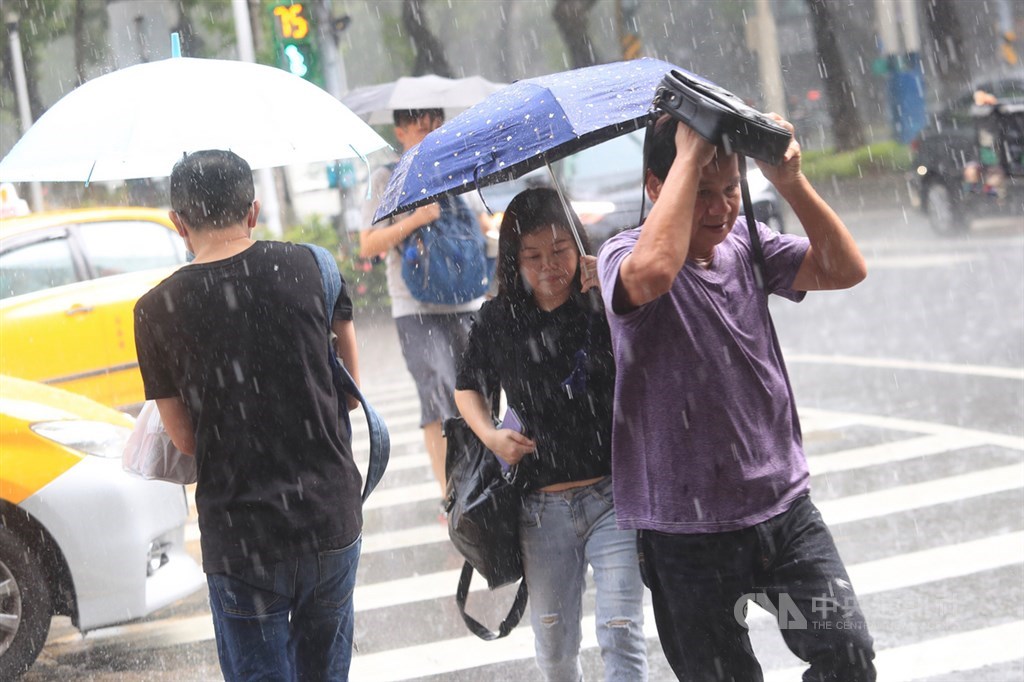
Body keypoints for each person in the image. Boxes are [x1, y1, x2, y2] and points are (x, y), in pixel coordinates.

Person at [596, 114, 876, 681]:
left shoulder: (748, 245)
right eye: (702, 192)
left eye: (730, 190)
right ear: (658, 186)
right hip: (687, 542)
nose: (721, 208)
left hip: (783, 526)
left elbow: (845, 268)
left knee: (844, 651)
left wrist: (790, 180)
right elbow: (652, 273)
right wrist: (689, 155)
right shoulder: (622, 255)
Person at [134, 150, 364, 681]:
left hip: (242, 539)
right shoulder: (311, 266)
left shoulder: (155, 310)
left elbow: (186, 440)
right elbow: (351, 393)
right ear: (253, 210)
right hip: (328, 519)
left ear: (178, 223)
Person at [455, 188, 648, 681]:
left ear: (577, 242)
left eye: (560, 250)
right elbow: (466, 391)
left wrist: (607, 288)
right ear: (514, 259)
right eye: (533, 256)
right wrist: (493, 437)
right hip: (540, 512)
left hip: (613, 499)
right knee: (557, 650)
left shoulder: (604, 298)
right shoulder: (499, 318)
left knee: (622, 631)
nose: (549, 266)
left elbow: (650, 352)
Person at [360, 108, 488, 508]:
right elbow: (368, 245)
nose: (431, 133)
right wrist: (415, 219)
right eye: (421, 127)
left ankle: (483, 481)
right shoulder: (386, 178)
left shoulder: (458, 167)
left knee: (475, 393)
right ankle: (449, 492)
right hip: (413, 305)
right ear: (400, 131)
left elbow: (482, 225)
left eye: (436, 125)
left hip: (467, 298)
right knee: (437, 394)